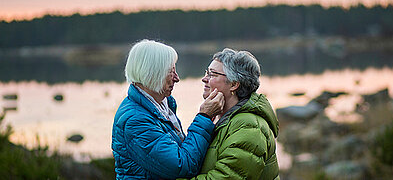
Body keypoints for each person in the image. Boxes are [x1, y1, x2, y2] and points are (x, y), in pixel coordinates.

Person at [111, 39, 224, 179]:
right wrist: (204, 117)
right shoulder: (135, 120)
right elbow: (182, 166)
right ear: (152, 73)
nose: (177, 78)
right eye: (171, 71)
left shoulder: (162, 105)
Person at [186, 48, 280, 180]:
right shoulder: (222, 119)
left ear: (234, 84)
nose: (204, 79)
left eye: (212, 74)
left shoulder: (249, 126)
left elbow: (226, 177)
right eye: (206, 72)